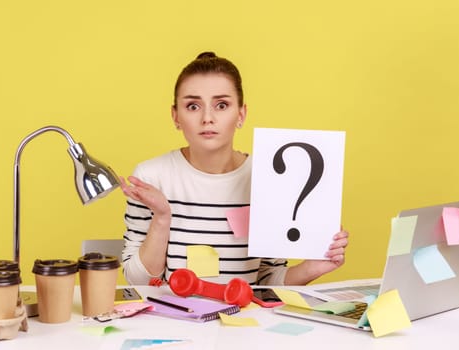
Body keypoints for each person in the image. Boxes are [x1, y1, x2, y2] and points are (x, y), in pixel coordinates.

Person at [120, 51, 349, 286]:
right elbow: (138, 281)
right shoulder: (151, 177)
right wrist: (161, 218)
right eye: (192, 106)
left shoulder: (268, 178)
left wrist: (312, 268)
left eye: (221, 105)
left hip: (245, 320)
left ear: (241, 114)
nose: (207, 118)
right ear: (175, 116)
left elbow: (268, 283)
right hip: (171, 320)